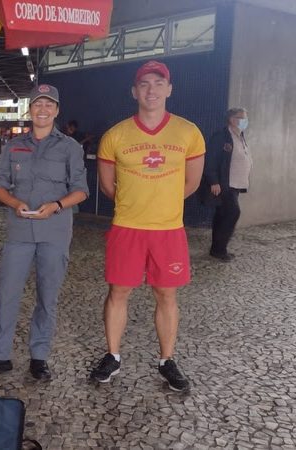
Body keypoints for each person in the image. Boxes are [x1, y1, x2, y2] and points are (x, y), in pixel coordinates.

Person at [89, 60, 205, 392]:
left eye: (158, 83)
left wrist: (162, 204)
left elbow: (191, 183)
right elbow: (109, 188)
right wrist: (137, 205)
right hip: (127, 227)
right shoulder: (115, 135)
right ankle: (112, 355)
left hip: (169, 230)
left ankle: (167, 360)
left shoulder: (188, 132)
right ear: (134, 91)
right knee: (118, 291)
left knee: (166, 294)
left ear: (169, 89)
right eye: (144, 84)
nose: (151, 90)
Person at [0, 84, 89, 381]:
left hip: (54, 231)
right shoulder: (14, 146)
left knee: (47, 296)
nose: (43, 109)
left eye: (49, 105)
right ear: (30, 109)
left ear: (57, 110)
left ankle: (39, 357)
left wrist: (56, 205)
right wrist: (14, 203)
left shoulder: (70, 147)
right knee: (7, 293)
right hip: (19, 232)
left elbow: (81, 191)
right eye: (38, 104)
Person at [203, 107, 252, 262]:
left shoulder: (240, 136)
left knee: (222, 215)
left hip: (236, 183)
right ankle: (219, 249)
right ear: (232, 119)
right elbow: (211, 160)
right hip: (224, 184)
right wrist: (214, 181)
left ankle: (216, 249)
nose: (245, 121)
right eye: (242, 118)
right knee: (232, 213)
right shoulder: (221, 137)